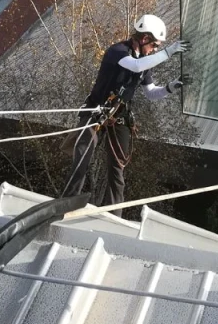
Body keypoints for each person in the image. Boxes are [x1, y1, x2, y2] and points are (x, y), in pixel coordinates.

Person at [61, 15, 188, 206]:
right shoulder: (117, 52)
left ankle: (114, 214)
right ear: (144, 39)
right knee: (82, 159)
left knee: (117, 170)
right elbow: (135, 66)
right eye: (155, 46)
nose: (155, 50)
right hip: (96, 111)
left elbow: (151, 93)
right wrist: (169, 52)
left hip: (119, 116)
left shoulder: (145, 62)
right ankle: (66, 203)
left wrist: (171, 87)